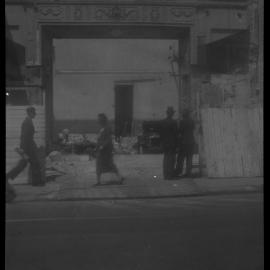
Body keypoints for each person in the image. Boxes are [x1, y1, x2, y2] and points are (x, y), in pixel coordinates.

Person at [6, 106, 44, 188]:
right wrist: (23, 150)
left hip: (28, 147)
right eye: (34, 113)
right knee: (31, 164)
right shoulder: (27, 122)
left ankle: (36, 182)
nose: (35, 114)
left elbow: (27, 135)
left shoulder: (28, 121)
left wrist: (33, 132)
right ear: (30, 113)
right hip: (28, 148)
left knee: (28, 164)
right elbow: (24, 136)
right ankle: (37, 182)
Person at [95, 113, 124, 186]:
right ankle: (98, 181)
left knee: (110, 164)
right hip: (101, 150)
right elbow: (100, 138)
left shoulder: (107, 128)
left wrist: (103, 146)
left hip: (106, 150)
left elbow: (108, 139)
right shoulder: (101, 128)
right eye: (98, 119)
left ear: (103, 120)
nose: (98, 120)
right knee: (99, 164)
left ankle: (119, 178)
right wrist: (97, 146)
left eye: (99, 119)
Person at [175, 109, 195, 177]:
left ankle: (179, 172)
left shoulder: (182, 121)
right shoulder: (192, 121)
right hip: (191, 141)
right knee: (189, 158)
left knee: (181, 158)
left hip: (184, 142)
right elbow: (193, 128)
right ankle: (188, 172)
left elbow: (180, 131)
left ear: (184, 115)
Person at [160, 106, 178, 180]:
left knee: (165, 158)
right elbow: (176, 133)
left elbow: (161, 133)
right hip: (172, 143)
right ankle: (170, 175)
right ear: (171, 114)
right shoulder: (174, 122)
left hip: (165, 143)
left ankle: (165, 175)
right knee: (171, 159)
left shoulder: (163, 122)